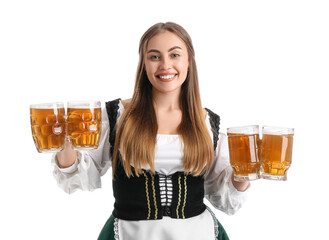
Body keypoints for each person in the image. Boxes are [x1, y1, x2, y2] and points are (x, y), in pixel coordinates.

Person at [52, 22, 250, 240]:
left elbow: (223, 195)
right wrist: (65, 144)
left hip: (198, 233)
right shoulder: (118, 115)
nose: (165, 65)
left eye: (174, 55)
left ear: (189, 62)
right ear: (143, 64)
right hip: (130, 234)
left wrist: (245, 173)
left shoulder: (206, 123)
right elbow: (82, 176)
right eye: (154, 57)